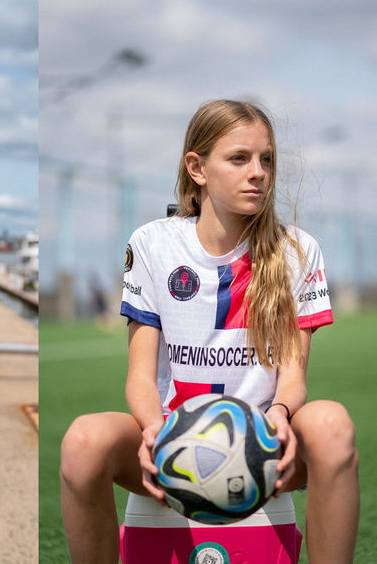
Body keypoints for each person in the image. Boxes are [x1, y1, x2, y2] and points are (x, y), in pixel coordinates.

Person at [59, 100, 359, 562]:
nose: (258, 172)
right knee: (83, 441)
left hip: (264, 447)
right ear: (197, 168)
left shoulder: (298, 250)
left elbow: (293, 377)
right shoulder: (152, 243)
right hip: (171, 443)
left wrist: (278, 414)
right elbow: (140, 376)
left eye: (267, 160)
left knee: (332, 424)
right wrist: (156, 433)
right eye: (239, 158)